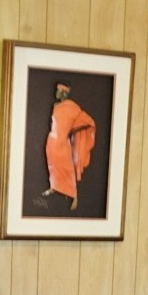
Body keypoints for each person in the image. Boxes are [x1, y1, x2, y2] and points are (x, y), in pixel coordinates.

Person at [38, 81, 96, 210]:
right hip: (52, 142)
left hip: (63, 144)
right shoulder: (55, 105)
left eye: (58, 91)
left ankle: (74, 197)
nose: (55, 93)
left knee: (67, 170)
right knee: (53, 167)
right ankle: (54, 187)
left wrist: (80, 128)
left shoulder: (72, 107)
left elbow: (86, 120)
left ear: (64, 93)